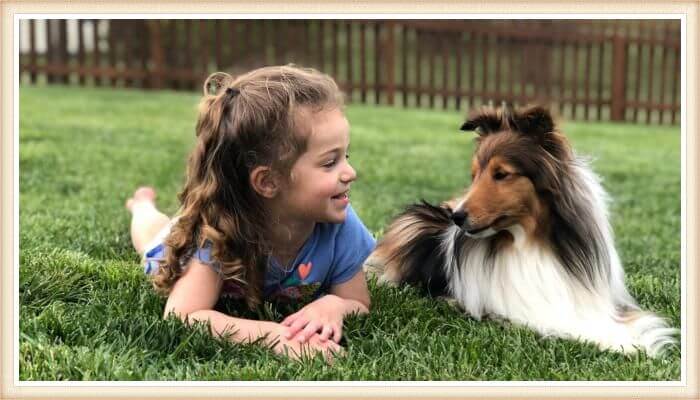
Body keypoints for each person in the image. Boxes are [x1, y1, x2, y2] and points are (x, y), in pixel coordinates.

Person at [124, 65, 375, 361]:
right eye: (329, 162)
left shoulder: (340, 225)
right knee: (153, 238)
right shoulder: (219, 232)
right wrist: (276, 337)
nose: (350, 172)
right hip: (178, 244)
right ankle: (141, 206)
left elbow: (357, 301)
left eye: (345, 156)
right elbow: (184, 316)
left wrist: (333, 305)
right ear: (268, 182)